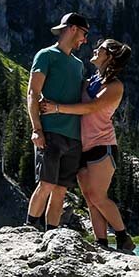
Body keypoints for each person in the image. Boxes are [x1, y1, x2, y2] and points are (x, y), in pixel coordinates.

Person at [41, 38, 135, 253]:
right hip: (81, 146)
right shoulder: (91, 80)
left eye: (100, 49)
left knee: (98, 196)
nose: (94, 49)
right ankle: (101, 243)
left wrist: (57, 109)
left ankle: (123, 237)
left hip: (103, 146)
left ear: (109, 56)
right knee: (90, 199)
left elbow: (91, 108)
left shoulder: (115, 86)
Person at [26, 12, 89, 230]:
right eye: (84, 33)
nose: (85, 39)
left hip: (74, 136)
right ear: (72, 29)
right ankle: (30, 229)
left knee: (61, 189)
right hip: (50, 131)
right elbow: (33, 93)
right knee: (46, 184)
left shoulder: (79, 64)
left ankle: (51, 234)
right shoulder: (46, 55)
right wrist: (36, 129)